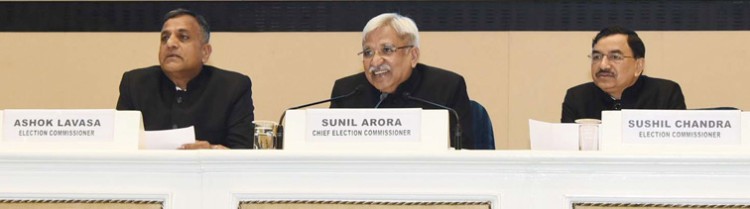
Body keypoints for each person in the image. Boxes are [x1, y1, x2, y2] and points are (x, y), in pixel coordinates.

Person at [329, 13, 475, 149]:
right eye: (368, 52)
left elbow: (465, 154)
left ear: (413, 56)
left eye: (386, 50)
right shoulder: (347, 92)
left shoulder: (446, 87)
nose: (375, 61)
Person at [116, 8, 254, 149]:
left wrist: (212, 151)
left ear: (205, 52)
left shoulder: (233, 88)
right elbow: (120, 146)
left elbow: (243, 154)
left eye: (183, 37)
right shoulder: (135, 84)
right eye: (165, 38)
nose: (170, 44)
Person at [561, 26, 686, 123]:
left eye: (615, 57)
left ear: (638, 65)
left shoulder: (665, 94)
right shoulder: (577, 98)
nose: (603, 65)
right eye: (597, 57)